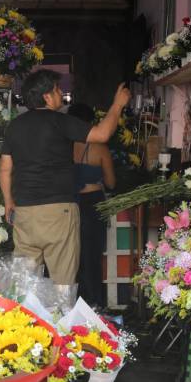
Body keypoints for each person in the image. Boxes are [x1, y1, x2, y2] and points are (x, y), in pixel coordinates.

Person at [0, 70, 130, 296]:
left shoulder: (14, 126)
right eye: (58, 90)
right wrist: (117, 105)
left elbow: (5, 168)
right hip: (58, 212)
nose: (62, 94)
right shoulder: (60, 122)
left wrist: (8, 202)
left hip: (25, 213)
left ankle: (23, 328)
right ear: (47, 97)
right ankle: (60, 327)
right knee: (63, 284)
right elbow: (102, 134)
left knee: (24, 283)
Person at [68, 103, 116, 308]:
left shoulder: (62, 146)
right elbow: (112, 183)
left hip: (69, 203)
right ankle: (95, 301)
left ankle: (73, 300)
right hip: (93, 203)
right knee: (92, 254)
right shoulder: (99, 148)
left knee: (71, 254)